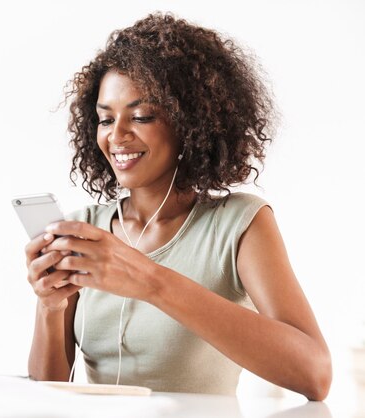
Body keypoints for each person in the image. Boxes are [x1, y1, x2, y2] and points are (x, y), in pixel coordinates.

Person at [24, 12, 331, 400]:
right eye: (105, 120)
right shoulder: (84, 230)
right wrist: (50, 308)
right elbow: (45, 397)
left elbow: (315, 375)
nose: (116, 136)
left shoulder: (239, 224)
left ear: (188, 122)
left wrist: (151, 282)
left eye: (141, 116)